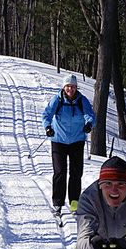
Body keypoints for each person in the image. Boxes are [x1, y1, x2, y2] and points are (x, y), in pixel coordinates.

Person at [42, 74, 95, 214]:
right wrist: (48, 127)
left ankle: (74, 204)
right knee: (60, 172)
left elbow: (90, 115)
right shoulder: (57, 99)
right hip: (58, 140)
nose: (70, 89)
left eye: (73, 86)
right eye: (68, 86)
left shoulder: (82, 100)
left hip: (77, 140)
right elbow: (46, 114)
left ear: (76, 87)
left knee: (76, 174)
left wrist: (89, 124)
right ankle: (58, 203)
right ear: (64, 87)